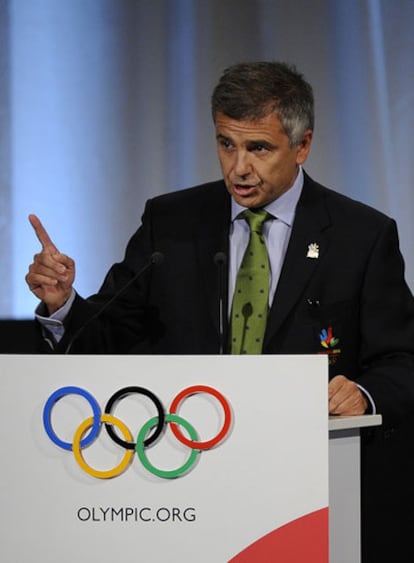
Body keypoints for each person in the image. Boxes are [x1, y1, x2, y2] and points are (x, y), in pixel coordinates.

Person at [26, 61, 414, 425]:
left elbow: (401, 359)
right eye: (227, 144)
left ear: (302, 145)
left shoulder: (360, 235)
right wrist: (63, 303)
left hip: (311, 458)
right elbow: (108, 337)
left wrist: (363, 393)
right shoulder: (170, 222)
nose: (239, 167)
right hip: (184, 453)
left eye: (258, 148)